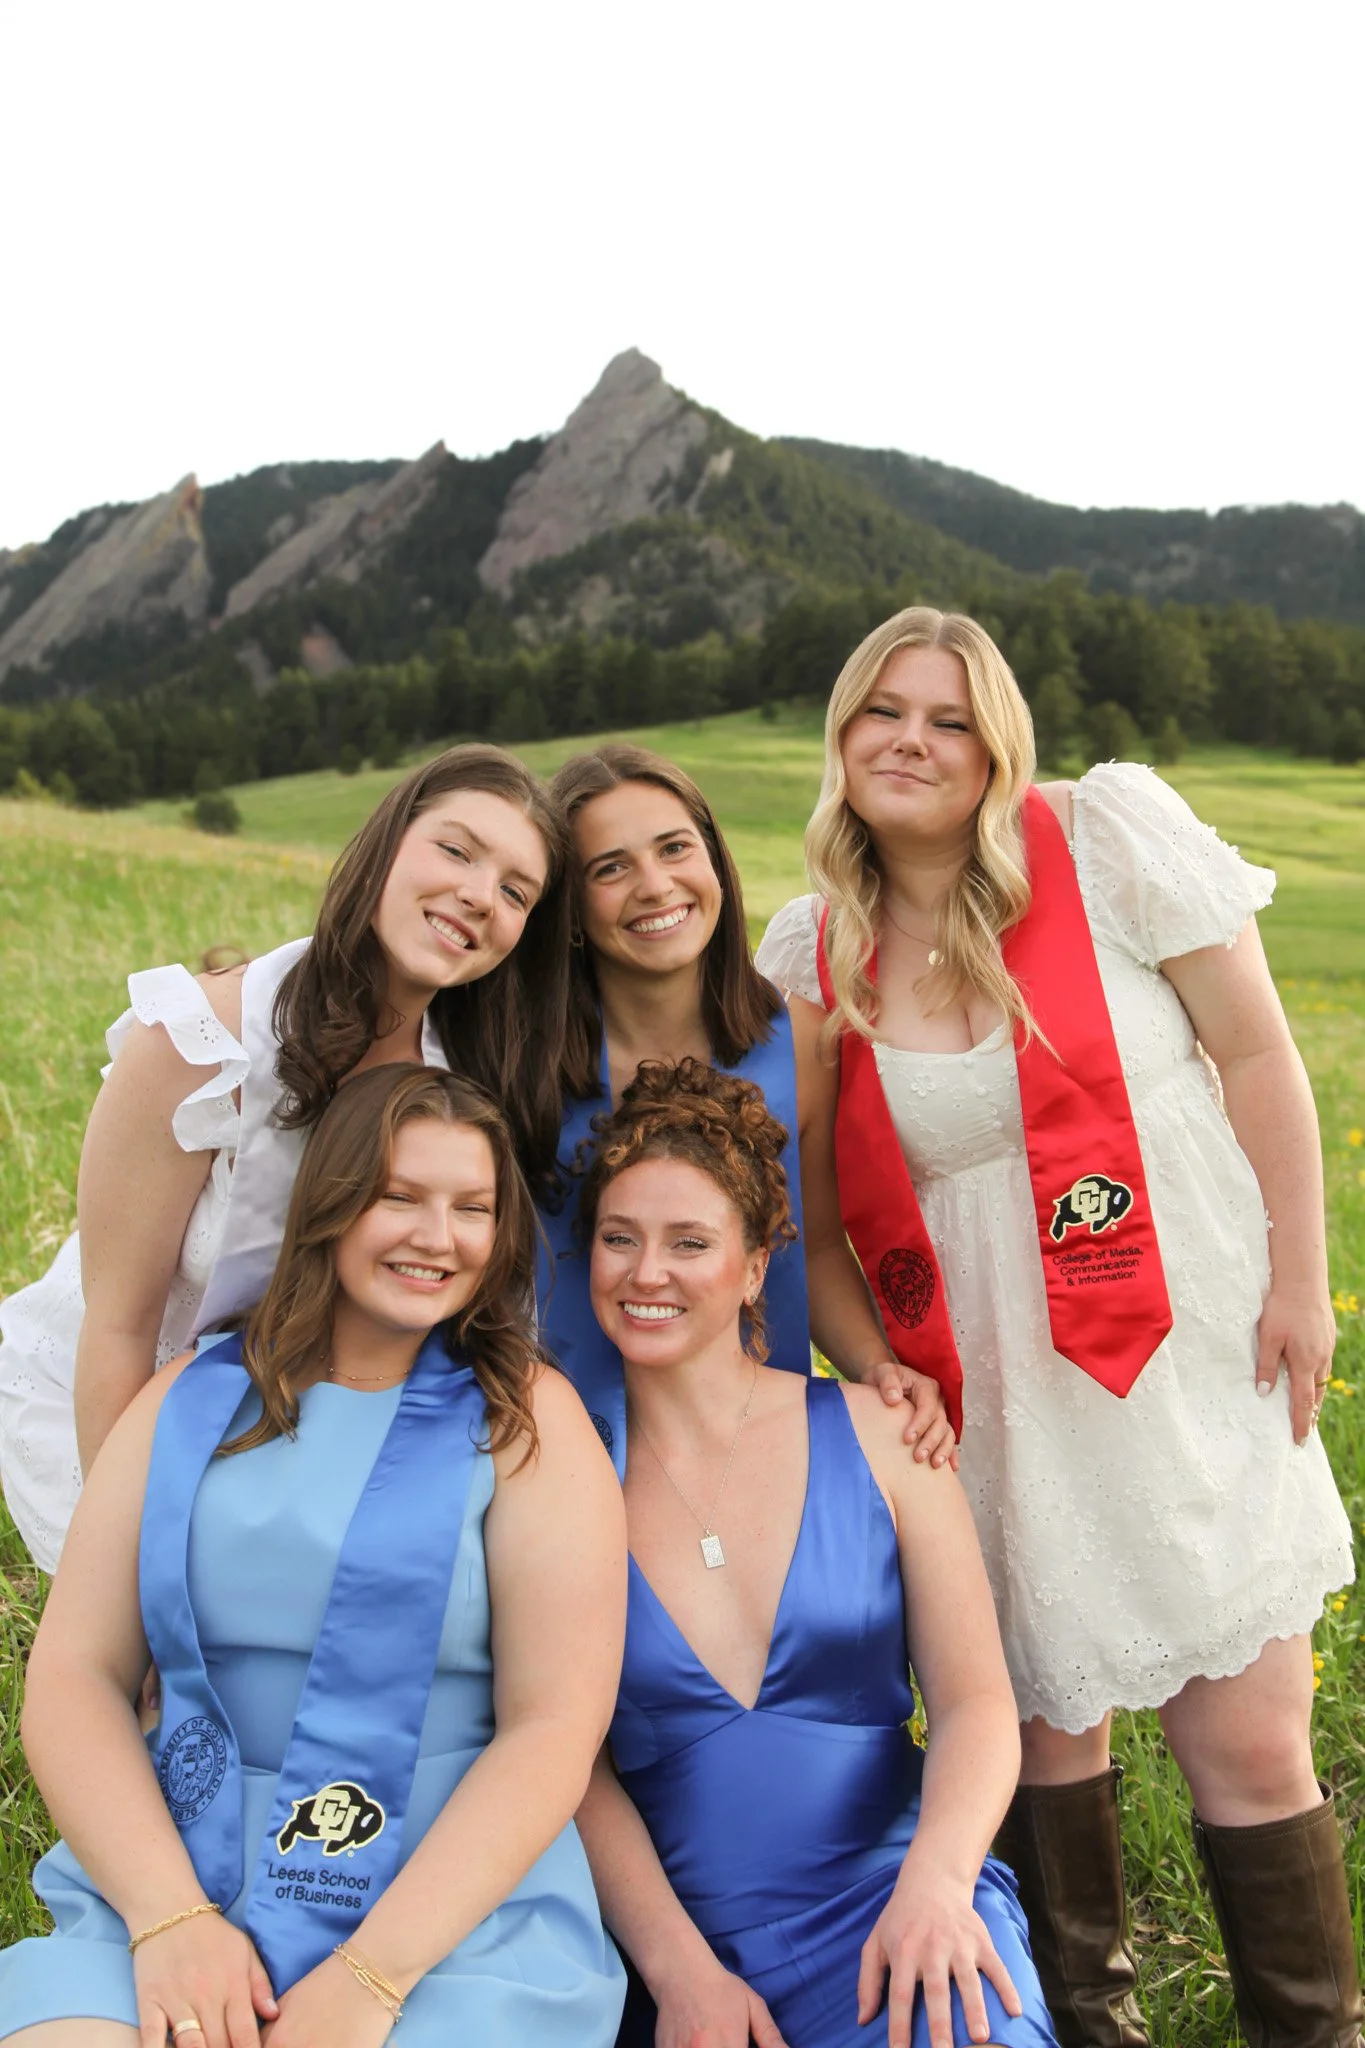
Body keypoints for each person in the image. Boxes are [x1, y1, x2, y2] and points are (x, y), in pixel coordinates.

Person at [756, 605, 1359, 2046]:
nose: (910, 739)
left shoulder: (1103, 841)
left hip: (1183, 1338)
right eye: (880, 711)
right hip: (986, 1393)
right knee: (1037, 1743)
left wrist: (1298, 1275)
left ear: (995, 743)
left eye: (948, 717)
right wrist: (878, 1371)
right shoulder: (810, 954)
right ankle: (1082, 2027)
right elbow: (809, 1224)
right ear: (840, 738)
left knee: (1252, 1745)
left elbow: (1258, 1052)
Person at [0, 1062, 627, 2046]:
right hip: (185, 1861)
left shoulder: (525, 1421)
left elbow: (554, 1726)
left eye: (473, 1205)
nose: (438, 1234)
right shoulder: (188, 1402)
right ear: (330, 1203)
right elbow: (76, 1673)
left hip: (445, 1906)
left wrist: (373, 1974)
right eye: (401, 1195)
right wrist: (170, 1920)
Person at [572, 1059, 1059, 2048]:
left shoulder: (883, 1432)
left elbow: (976, 1702)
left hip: (904, 1898)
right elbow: (567, 1763)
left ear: (754, 1266)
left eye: (689, 1241)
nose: (646, 1271)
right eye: (618, 1238)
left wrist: (938, 1882)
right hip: (689, 1955)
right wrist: (680, 1971)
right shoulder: (564, 1476)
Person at [0, 743, 572, 1572]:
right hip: (120, 1416)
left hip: (307, 1428)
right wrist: (131, 1574)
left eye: (516, 892)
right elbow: (118, 1325)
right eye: (455, 849)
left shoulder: (468, 1080)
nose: (479, 896)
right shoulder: (201, 1041)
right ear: (387, 844)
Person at [538, 744, 952, 1474]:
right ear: (569, 907)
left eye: (674, 848)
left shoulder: (800, 1044)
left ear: (713, 862)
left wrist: (872, 1365)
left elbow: (816, 1247)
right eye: (610, 868)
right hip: (568, 1444)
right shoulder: (524, 1061)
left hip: (760, 1439)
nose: (654, 885)